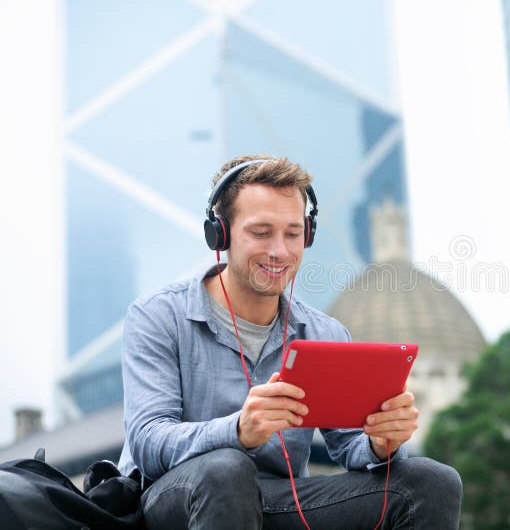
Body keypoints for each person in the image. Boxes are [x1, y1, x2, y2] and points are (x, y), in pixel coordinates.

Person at [117, 154, 462, 529]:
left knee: (433, 482)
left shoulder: (325, 334)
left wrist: (382, 443)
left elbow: (349, 447)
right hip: (175, 503)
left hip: (281, 503)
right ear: (221, 234)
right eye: (261, 232)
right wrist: (237, 431)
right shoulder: (157, 315)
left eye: (293, 234)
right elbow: (148, 443)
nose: (280, 251)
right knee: (226, 470)